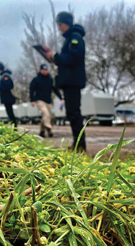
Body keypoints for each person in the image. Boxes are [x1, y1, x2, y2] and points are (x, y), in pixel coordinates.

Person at [45, 11, 86, 151]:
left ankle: (80, 146)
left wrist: (56, 56)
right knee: (72, 113)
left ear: (67, 23)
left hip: (72, 81)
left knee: (74, 113)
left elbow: (74, 59)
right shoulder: (70, 38)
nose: (59, 28)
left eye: (60, 24)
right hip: (69, 81)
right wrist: (55, 58)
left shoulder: (75, 37)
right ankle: (78, 143)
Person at [30, 64, 63, 138]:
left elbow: (55, 89)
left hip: (48, 100)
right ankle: (49, 129)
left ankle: (42, 131)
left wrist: (61, 97)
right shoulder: (36, 79)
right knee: (45, 113)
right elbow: (32, 89)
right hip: (39, 99)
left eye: (46, 70)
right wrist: (32, 100)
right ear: (41, 70)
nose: (45, 71)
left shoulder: (50, 80)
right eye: (43, 70)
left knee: (47, 116)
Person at [0, 62, 17, 128]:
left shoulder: (5, 76)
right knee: (10, 113)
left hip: (8, 98)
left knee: (10, 113)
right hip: (6, 98)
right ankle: (14, 126)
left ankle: (14, 127)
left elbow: (8, 86)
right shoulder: (4, 75)